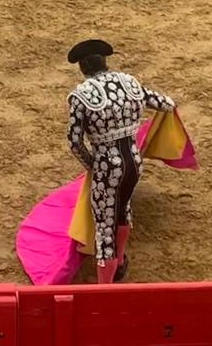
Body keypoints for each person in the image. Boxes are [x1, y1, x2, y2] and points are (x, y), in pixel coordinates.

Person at [65, 39, 174, 285]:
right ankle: (121, 261)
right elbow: (166, 104)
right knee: (122, 208)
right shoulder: (128, 82)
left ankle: (105, 290)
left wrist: (93, 165)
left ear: (82, 67)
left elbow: (74, 142)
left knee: (105, 230)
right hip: (134, 163)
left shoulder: (81, 96)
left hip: (107, 167)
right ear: (104, 61)